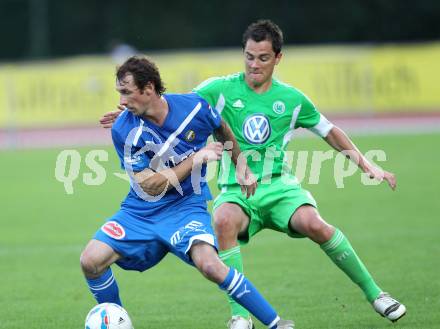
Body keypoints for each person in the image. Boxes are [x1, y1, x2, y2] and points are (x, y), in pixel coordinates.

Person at [100, 21, 406, 329]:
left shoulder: (292, 99)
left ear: (278, 58)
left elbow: (330, 132)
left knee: (316, 225)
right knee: (222, 221)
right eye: (249, 56)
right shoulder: (218, 89)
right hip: (236, 189)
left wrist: (366, 164)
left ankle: (376, 294)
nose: (254, 64)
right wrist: (129, 111)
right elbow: (172, 106)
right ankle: (240, 317)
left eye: (262, 57)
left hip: (279, 187)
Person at [81, 56, 294, 329]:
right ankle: (116, 321)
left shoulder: (194, 108)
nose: (121, 101)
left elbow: (221, 129)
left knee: (210, 265)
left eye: (126, 92)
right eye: (119, 93)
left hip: (186, 206)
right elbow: (151, 185)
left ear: (148, 89)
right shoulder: (124, 129)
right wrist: (196, 159)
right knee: (90, 261)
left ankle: (277, 324)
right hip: (140, 210)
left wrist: (240, 164)